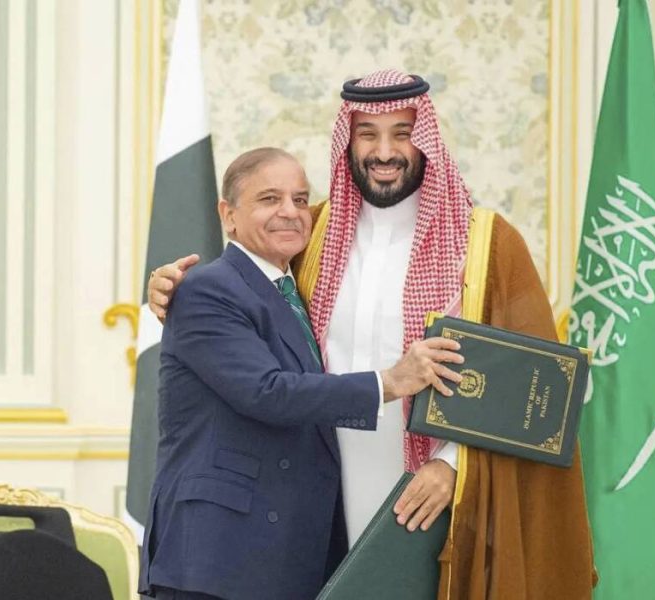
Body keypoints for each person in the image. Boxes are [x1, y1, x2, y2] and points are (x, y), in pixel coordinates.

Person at [150, 72, 596, 598]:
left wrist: (453, 465)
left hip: (430, 495)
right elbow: (242, 297)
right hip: (309, 510)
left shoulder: (486, 245)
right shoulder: (312, 235)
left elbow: (537, 388)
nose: (384, 152)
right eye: (368, 134)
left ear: (425, 139)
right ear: (348, 141)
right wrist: (168, 288)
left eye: (402, 133)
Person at [139, 147, 464, 600]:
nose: (290, 212)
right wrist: (390, 382)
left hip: (285, 559)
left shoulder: (296, 289)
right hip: (218, 559)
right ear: (228, 215)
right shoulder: (206, 288)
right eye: (269, 199)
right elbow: (267, 392)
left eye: (299, 198)